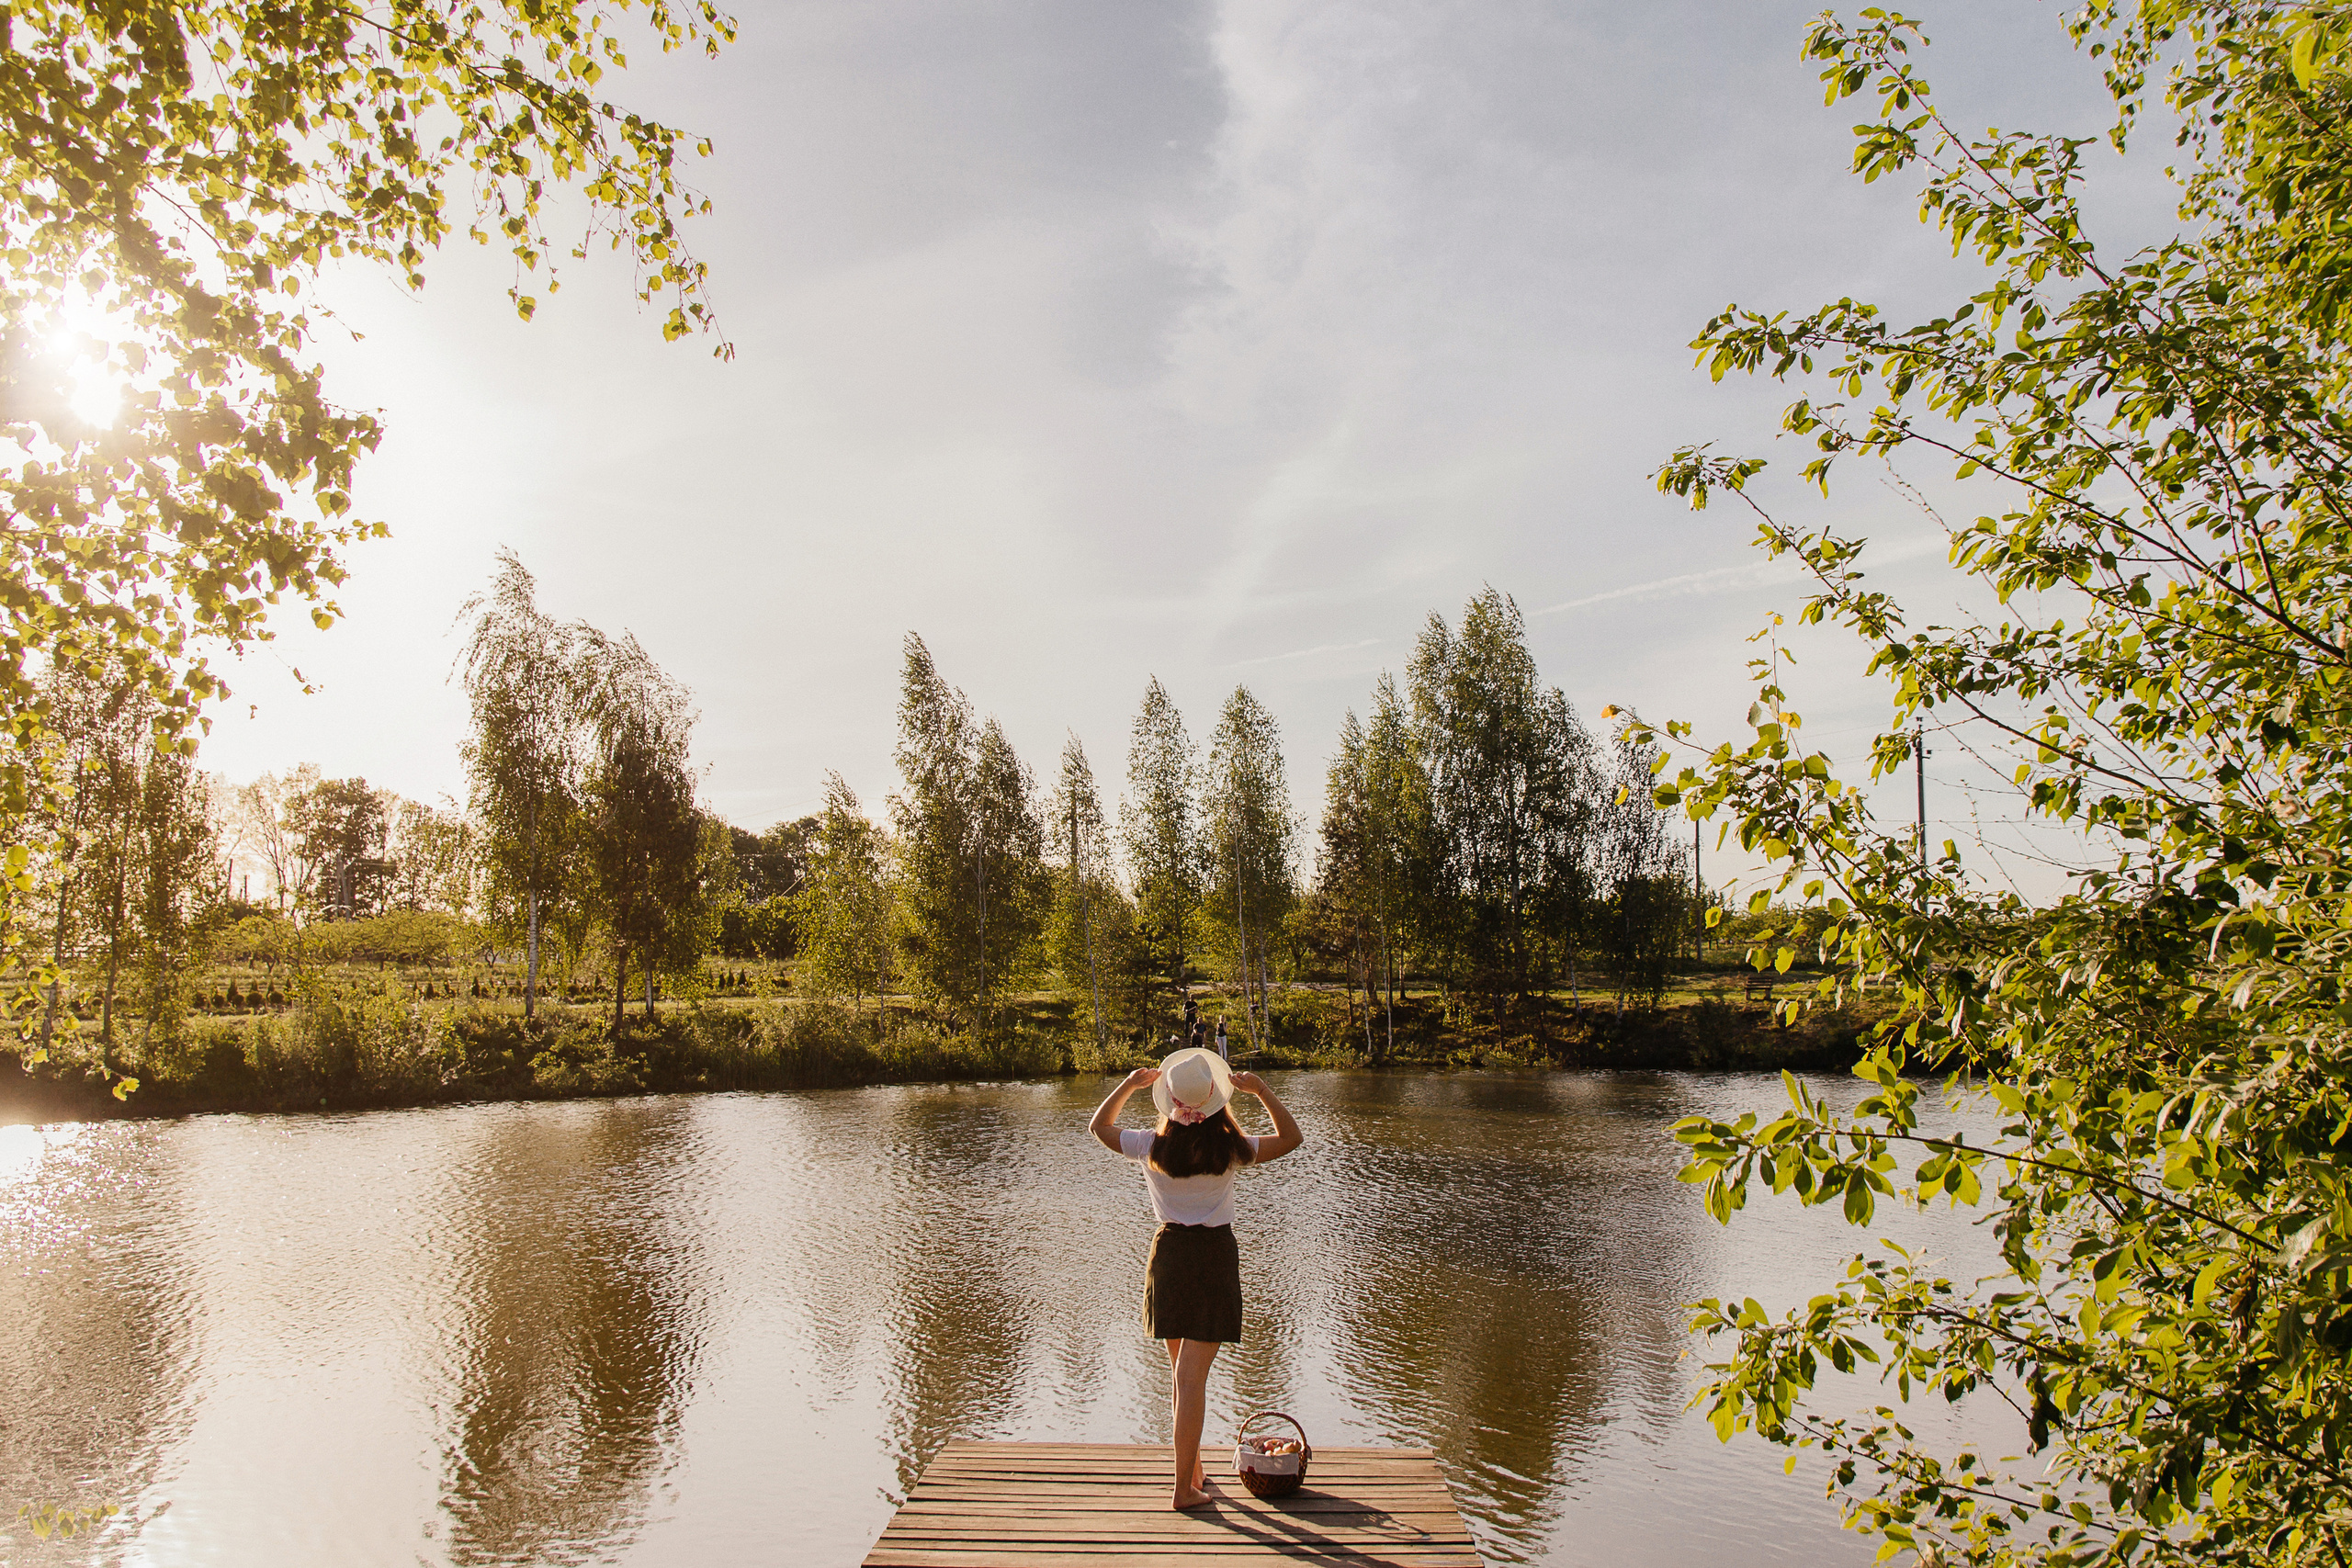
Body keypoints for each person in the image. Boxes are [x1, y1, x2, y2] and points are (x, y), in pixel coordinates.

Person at [1089, 1049, 1302, 1509]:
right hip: (1212, 1259)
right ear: (1215, 1100)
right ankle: (1182, 1489)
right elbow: (1292, 1137)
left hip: (1169, 1258)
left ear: (1169, 1099)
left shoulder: (1151, 1145)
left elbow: (1099, 1127)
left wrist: (1129, 1084)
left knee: (1181, 1378)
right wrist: (1261, 1090)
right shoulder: (1231, 1147)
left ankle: (1194, 1472)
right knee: (1190, 1380)